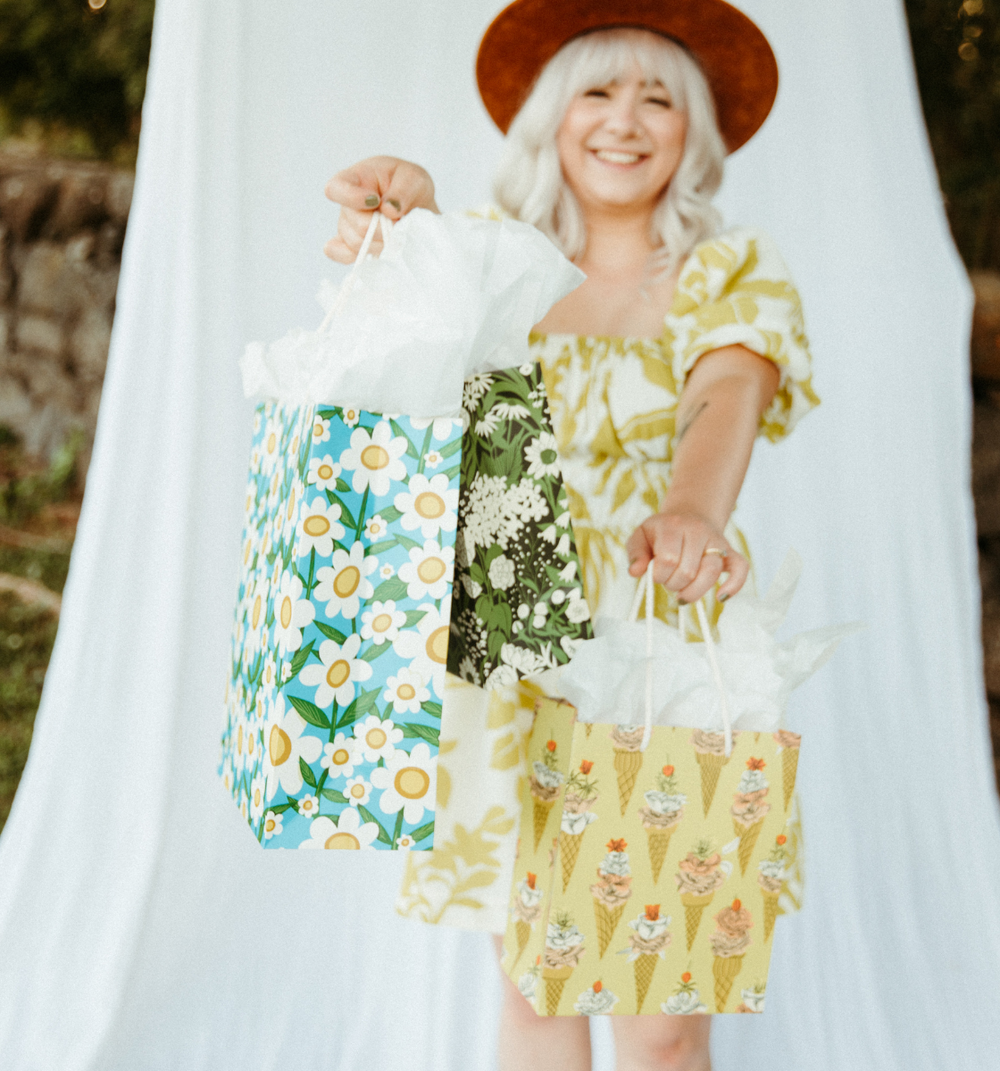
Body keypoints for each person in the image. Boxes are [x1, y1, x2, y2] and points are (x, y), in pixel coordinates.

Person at [324, 2, 816, 1067]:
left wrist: (691, 509)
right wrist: (395, 230)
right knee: (534, 988)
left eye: (659, 97)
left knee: (661, 1012)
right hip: (511, 648)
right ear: (552, 116)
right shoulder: (499, 269)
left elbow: (724, 392)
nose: (624, 120)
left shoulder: (727, 276)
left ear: (693, 131)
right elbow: (409, 334)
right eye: (597, 89)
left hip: (654, 642)